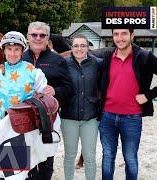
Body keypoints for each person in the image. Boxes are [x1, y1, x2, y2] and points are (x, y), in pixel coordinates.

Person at [0, 22, 73, 179]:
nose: (13, 53)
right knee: (11, 168)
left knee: (39, 165)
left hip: (32, 124)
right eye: (34, 35)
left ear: (47, 38)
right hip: (6, 122)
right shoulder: (1, 69)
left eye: (42, 35)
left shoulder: (51, 63)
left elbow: (60, 90)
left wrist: (54, 92)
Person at [94, 29, 157, 180]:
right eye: (116, 34)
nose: (120, 38)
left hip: (132, 118)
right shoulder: (107, 57)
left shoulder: (144, 57)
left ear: (132, 35)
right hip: (107, 116)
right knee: (108, 156)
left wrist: (148, 96)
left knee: (130, 158)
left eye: (124, 34)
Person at [60, 34, 101, 180]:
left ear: (88, 47)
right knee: (70, 155)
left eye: (82, 45)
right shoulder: (63, 63)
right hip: (68, 117)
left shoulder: (98, 63)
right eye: (76, 45)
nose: (79, 48)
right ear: (71, 48)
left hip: (90, 117)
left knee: (90, 155)